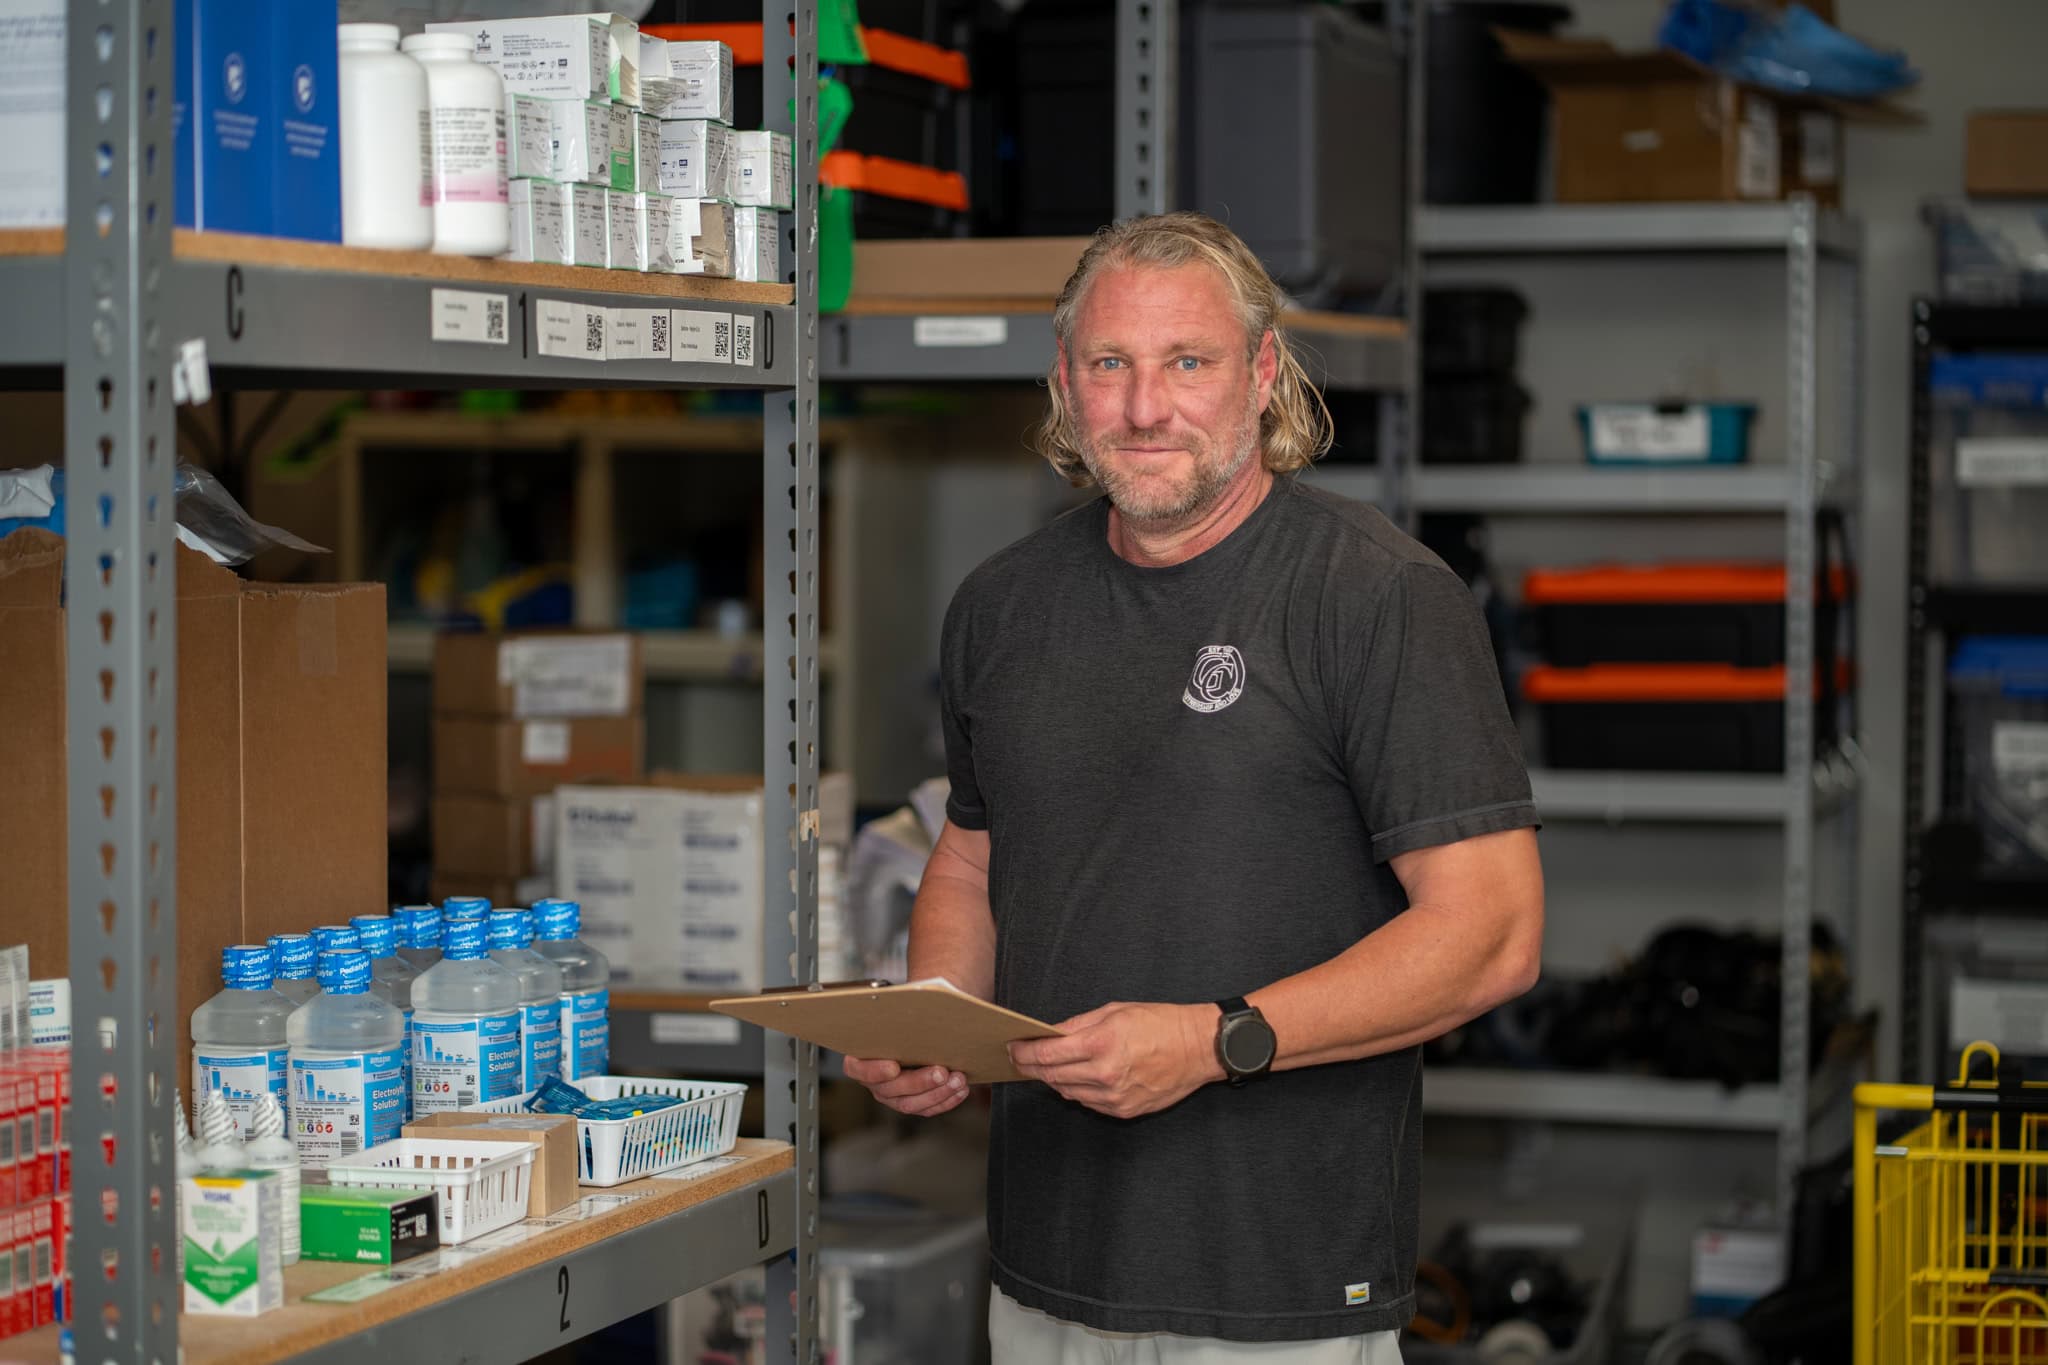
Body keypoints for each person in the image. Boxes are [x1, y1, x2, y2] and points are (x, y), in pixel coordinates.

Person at [843, 212, 1545, 1363]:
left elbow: (1493, 934)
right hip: (1044, 1271)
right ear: (1063, 384)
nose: (1143, 407)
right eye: (1109, 364)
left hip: (1278, 1285)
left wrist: (1220, 1041)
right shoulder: (1001, 607)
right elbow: (970, 857)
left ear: (1263, 375)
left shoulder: (1375, 598)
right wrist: (934, 1022)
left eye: (1188, 363)